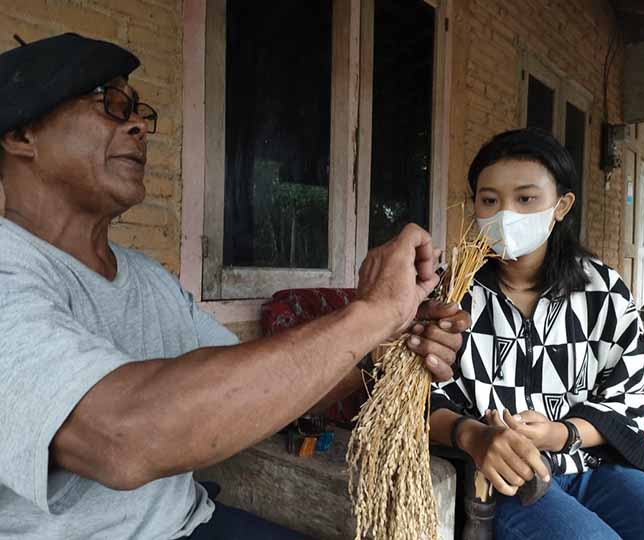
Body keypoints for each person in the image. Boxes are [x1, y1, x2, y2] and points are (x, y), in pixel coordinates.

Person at [0, 34, 470, 539]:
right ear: (22, 134)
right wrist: (372, 313)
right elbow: (119, 437)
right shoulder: (11, 269)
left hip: (190, 525)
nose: (138, 126)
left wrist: (385, 348)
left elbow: (265, 386)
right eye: (110, 104)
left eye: (138, 110)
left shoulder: (147, 279)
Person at [429, 128, 644, 539]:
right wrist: (474, 435)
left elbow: (633, 401)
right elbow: (420, 398)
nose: (505, 214)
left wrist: (559, 433)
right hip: (505, 479)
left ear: (561, 205)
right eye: (489, 200)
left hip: (592, 468)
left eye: (526, 199)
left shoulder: (602, 291)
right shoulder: (454, 293)